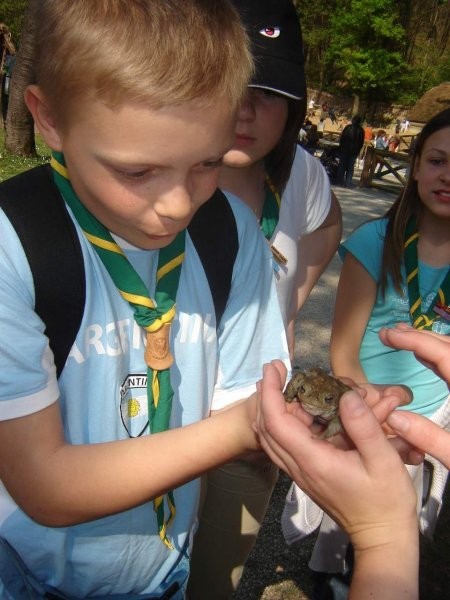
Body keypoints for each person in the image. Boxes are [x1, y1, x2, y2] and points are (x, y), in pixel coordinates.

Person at [0, 2, 291, 598]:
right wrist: (246, 428)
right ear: (48, 118)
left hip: (164, 576)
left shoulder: (230, 233)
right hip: (25, 576)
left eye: (208, 163)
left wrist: (320, 423)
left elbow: (242, 396)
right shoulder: (12, 245)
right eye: (137, 173)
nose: (179, 205)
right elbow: (45, 486)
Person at [187, 1, 342, 597]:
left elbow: (326, 228)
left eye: (270, 94)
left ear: (295, 108)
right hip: (159, 418)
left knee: (217, 575)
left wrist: (288, 302)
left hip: (252, 426)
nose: (247, 111)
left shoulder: (300, 173)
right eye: (234, 84)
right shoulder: (162, 171)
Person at [307, 107, 450, 593]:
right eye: (437, 160)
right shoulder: (375, 241)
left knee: (406, 523)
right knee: (350, 520)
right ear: (415, 167)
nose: (447, 175)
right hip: (368, 409)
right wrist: (371, 411)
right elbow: (343, 352)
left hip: (434, 415)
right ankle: (330, 576)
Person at [257, 326, 450, 600]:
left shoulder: (335, 403)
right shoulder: (308, 389)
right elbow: (303, 379)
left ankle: (335, 580)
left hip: (339, 400)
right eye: (307, 394)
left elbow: (338, 413)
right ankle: (331, 579)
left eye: (320, 399)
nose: (310, 400)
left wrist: (381, 535)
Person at [336, 115, 364, 187]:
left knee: (342, 166)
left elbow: (342, 139)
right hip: (354, 151)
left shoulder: (348, 128)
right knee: (350, 167)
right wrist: (357, 151)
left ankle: (339, 181)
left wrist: (341, 147)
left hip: (345, 150)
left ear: (353, 120)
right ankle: (348, 182)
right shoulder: (361, 130)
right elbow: (361, 143)